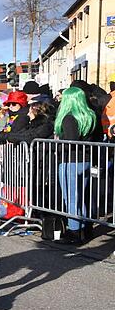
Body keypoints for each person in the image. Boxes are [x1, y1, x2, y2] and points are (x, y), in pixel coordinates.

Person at [52, 86, 99, 244]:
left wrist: (57, 144)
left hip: (71, 161)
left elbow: (71, 142)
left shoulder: (69, 118)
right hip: (85, 160)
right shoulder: (90, 115)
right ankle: (84, 229)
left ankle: (74, 231)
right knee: (80, 198)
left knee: (71, 199)